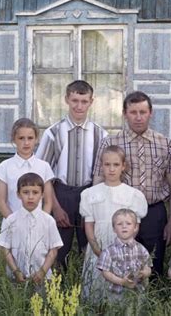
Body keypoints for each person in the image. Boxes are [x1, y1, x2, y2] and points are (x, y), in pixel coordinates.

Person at [93, 91, 171, 276]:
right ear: (124, 113)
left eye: (143, 112)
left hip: (154, 212)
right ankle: (120, 302)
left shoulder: (164, 144)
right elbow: (98, 180)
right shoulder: (110, 142)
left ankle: (153, 302)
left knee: (154, 264)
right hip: (119, 212)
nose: (138, 117)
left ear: (150, 113)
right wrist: (96, 215)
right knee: (119, 263)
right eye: (133, 112)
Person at [36, 80, 108, 267]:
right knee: (58, 248)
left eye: (84, 101)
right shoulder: (53, 133)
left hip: (90, 192)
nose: (79, 106)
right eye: (75, 100)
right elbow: (43, 173)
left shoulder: (101, 135)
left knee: (90, 247)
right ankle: (58, 290)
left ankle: (89, 291)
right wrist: (56, 207)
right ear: (67, 99)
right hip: (61, 194)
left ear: (91, 102)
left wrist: (92, 208)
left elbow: (103, 174)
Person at [79, 145, 147, 301]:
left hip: (123, 247)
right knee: (96, 286)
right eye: (107, 164)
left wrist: (124, 246)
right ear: (101, 166)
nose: (111, 169)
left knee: (121, 291)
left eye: (116, 165)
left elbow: (134, 226)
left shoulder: (133, 195)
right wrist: (97, 249)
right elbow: (89, 225)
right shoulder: (90, 193)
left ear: (123, 166)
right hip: (99, 245)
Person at [0, 173, 63, 284]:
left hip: (44, 278)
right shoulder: (11, 220)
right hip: (16, 278)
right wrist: (16, 271)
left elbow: (53, 250)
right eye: (26, 192)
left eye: (35, 192)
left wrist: (42, 271)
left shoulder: (48, 221)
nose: (30, 197)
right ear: (18, 194)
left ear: (42, 195)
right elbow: (4, 249)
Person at [0, 118, 56, 217]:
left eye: (30, 138)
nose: (26, 143)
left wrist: (41, 222)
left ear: (36, 139)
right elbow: (0, 202)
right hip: (12, 225)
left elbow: (48, 202)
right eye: (21, 138)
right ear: (14, 139)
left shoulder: (44, 167)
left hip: (37, 227)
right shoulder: (5, 166)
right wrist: (14, 222)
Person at [97, 208, 152, 301]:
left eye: (128, 224)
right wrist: (122, 282)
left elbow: (148, 267)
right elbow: (105, 272)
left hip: (137, 293)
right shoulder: (108, 251)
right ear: (114, 229)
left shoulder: (141, 249)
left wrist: (144, 274)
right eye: (119, 224)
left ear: (135, 228)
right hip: (116, 295)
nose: (124, 226)